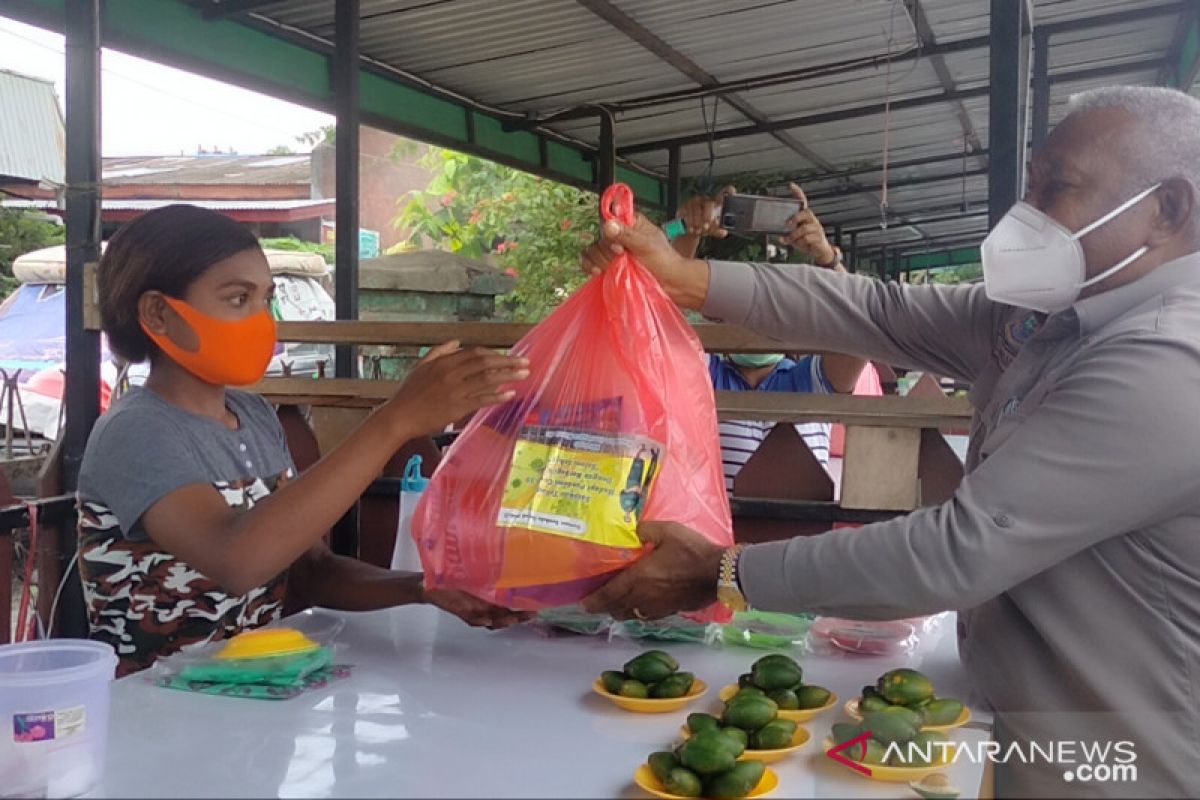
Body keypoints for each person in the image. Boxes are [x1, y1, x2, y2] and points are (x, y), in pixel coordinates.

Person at [579, 86, 1200, 798]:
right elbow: (878, 308)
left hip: (1122, 756)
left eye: (1055, 188)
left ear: (1168, 210)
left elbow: (959, 551)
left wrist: (725, 573)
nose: (1025, 215)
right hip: (1024, 718)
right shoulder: (1054, 315)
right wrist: (688, 279)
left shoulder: (1170, 360)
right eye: (1028, 185)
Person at [78, 205, 531, 676]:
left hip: (253, 700)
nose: (262, 319)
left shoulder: (252, 415)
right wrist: (394, 420)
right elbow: (237, 560)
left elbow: (309, 570)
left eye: (265, 299)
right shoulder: (135, 430)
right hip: (152, 718)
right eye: (238, 299)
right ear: (158, 313)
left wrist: (424, 588)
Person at [672, 185, 864, 490]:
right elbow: (655, 320)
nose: (759, 315)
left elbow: (861, 330)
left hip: (801, 537)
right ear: (714, 312)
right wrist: (689, 232)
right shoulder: (702, 373)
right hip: (714, 536)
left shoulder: (810, 380)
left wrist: (826, 259)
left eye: (775, 303)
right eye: (743, 301)